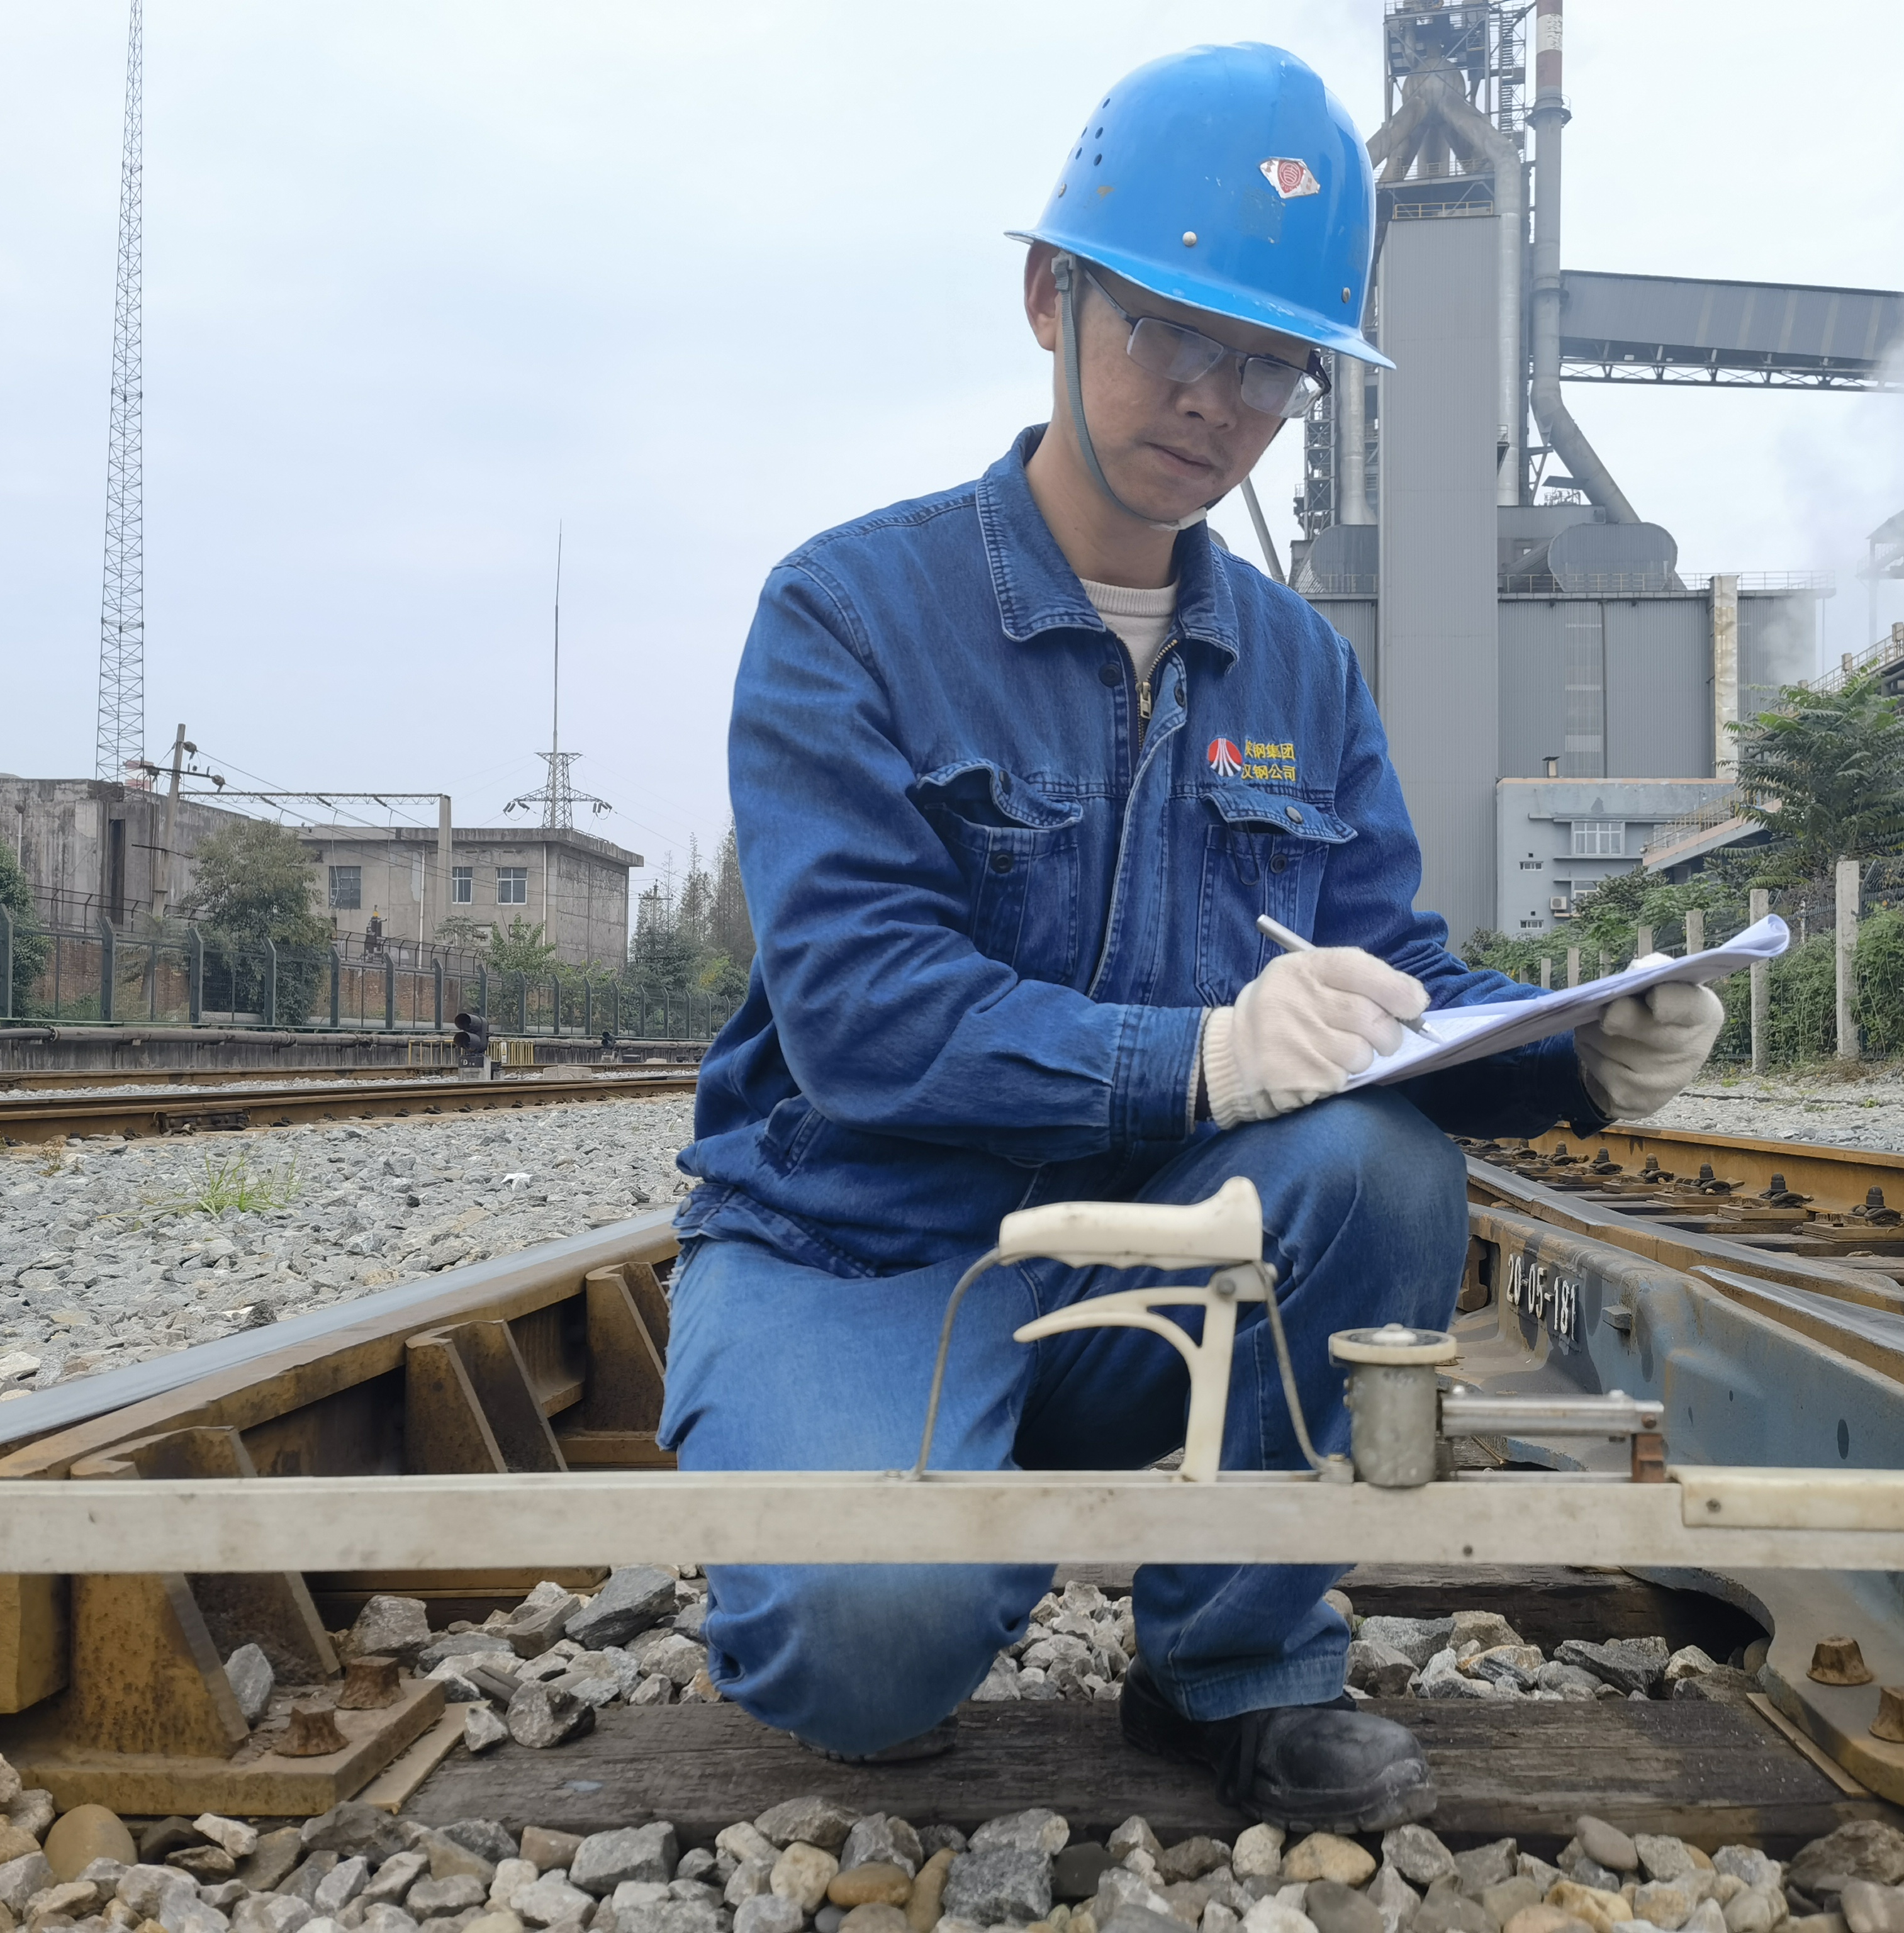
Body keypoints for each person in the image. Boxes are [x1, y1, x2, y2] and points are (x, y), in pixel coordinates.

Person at [662, 42, 1724, 1828]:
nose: (1215, 398)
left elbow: (1394, 979)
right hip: (856, 1246)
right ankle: (934, 1528)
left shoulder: (1297, 668)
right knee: (859, 1654)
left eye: (1267, 363)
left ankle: (1233, 1667)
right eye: (1171, 329)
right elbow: (858, 1015)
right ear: (1049, 297)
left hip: (1144, 1250)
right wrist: (1201, 1054)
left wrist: (1575, 1047)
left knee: (1378, 1166)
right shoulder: (850, 613)